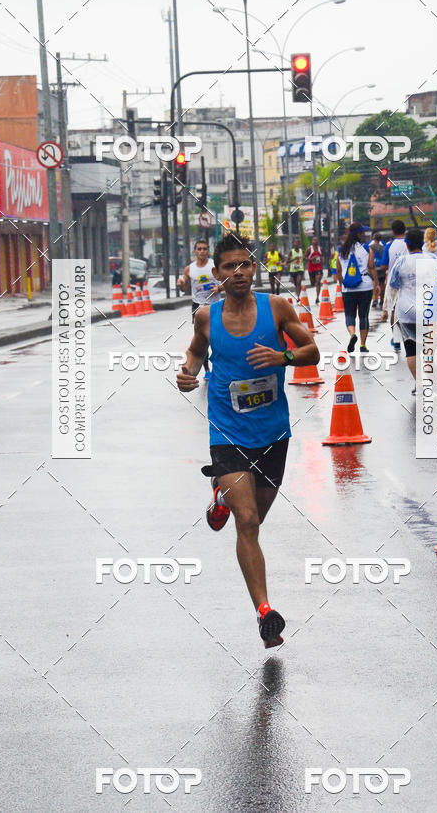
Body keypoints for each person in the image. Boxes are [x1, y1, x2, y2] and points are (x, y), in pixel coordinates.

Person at [176, 233, 320, 648]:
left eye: (244, 265)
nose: (238, 273)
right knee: (248, 521)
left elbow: (312, 350)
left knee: (255, 514)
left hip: (273, 432)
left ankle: (219, 499)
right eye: (229, 267)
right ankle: (264, 611)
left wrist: (283, 357)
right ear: (217, 274)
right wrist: (187, 373)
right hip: (227, 431)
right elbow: (195, 352)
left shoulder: (276, 308)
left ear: (253, 267)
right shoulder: (206, 316)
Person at [383, 228, 437, 393]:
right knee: (431, 347)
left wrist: (386, 310)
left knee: (411, 349)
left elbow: (391, 289)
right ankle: (433, 382)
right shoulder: (434, 259)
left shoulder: (401, 262)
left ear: (406, 245)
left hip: (407, 312)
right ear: (422, 243)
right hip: (430, 311)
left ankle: (419, 384)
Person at [177, 239, 223, 378]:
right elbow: (184, 287)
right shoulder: (190, 268)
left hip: (214, 305)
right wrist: (181, 283)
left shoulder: (214, 265)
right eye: (199, 249)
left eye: (205, 249)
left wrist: (219, 287)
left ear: (208, 251)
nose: (202, 251)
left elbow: (226, 281)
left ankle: (218, 367)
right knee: (201, 339)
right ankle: (207, 370)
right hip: (197, 305)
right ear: (195, 251)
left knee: (217, 338)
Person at [337, 222, 378, 353]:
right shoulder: (367, 249)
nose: (364, 235)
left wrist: (341, 284)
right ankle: (362, 344)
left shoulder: (341, 250)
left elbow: (338, 271)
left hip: (348, 288)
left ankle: (352, 334)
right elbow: (371, 267)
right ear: (359, 234)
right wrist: (376, 284)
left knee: (350, 315)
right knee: (363, 316)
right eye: (362, 233)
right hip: (365, 286)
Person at [379, 220, 408, 351]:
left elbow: (383, 265)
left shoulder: (389, 245)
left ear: (393, 231)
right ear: (405, 229)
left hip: (393, 283)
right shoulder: (410, 242)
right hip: (410, 281)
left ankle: (396, 339)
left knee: (394, 311)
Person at [368, 231, 385, 307]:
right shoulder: (383, 248)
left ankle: (375, 300)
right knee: (382, 284)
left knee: (374, 283)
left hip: (373, 268)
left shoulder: (370, 247)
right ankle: (381, 300)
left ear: (373, 238)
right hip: (381, 268)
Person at [305, 236, 324, 303]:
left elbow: (322, 256)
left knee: (318, 281)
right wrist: (311, 259)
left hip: (319, 267)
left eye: (316, 240)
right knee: (313, 283)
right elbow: (305, 257)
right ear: (312, 241)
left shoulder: (320, 249)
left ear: (318, 241)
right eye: (314, 240)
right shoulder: (309, 249)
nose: (315, 241)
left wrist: (322, 259)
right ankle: (315, 284)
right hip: (311, 268)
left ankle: (317, 297)